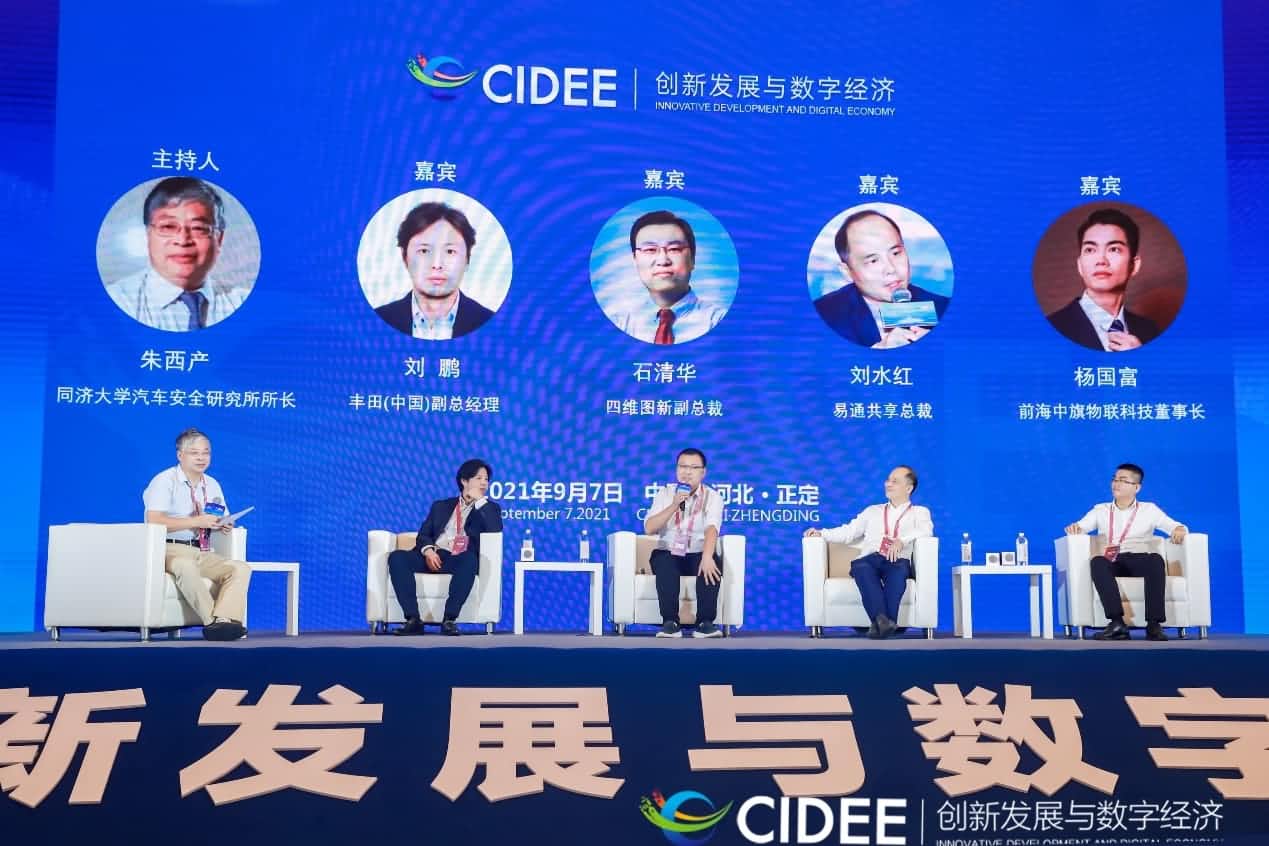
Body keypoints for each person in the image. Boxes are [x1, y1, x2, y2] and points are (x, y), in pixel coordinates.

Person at [142, 428, 250, 640]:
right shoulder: (165, 481)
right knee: (185, 566)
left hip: (200, 549)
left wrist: (224, 524)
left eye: (206, 452)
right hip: (167, 548)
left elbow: (219, 515)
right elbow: (153, 520)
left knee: (240, 568)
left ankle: (224, 620)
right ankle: (212, 623)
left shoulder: (212, 484)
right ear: (180, 455)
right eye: (194, 453)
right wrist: (195, 521)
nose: (201, 458)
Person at [804, 466, 933, 638]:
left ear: (909, 488)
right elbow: (849, 532)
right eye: (888, 480)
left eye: (895, 481)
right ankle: (886, 623)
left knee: (897, 575)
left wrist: (902, 541)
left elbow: (926, 530)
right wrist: (822, 533)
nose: (888, 484)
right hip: (870, 559)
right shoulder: (873, 511)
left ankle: (881, 623)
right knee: (861, 567)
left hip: (897, 559)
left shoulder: (919, 512)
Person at [107, 177, 249, 331]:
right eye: (168, 227)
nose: (183, 240)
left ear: (219, 239)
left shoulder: (242, 302)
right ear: (148, 236)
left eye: (198, 228)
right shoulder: (117, 302)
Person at [1065, 463, 1185, 641]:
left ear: (1137, 487)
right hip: (1113, 560)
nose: (1116, 484)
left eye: (1122, 480)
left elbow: (1174, 526)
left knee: (1156, 560)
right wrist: (1075, 528)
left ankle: (1153, 625)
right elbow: (1081, 526)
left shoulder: (1149, 510)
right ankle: (1117, 623)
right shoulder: (1101, 510)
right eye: (1114, 479)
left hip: (1139, 558)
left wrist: (1180, 529)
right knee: (1097, 562)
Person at [389, 459, 502, 635]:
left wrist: (480, 501)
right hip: (432, 555)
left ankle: (449, 620)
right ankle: (413, 620)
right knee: (397, 557)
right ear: (464, 481)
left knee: (470, 560)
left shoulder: (489, 508)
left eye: (486, 479)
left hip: (457, 559)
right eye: (479, 478)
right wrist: (428, 551)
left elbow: (495, 529)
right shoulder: (441, 506)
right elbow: (423, 534)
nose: (484, 483)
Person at [813, 210, 949, 348]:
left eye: (896, 253)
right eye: (873, 261)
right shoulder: (823, 315)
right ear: (847, 272)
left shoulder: (942, 308)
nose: (891, 269)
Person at [375, 202, 495, 339]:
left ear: (467, 259)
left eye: (450, 251)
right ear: (404, 257)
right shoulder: (378, 320)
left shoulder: (492, 323)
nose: (437, 265)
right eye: (424, 251)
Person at [1046, 208, 1160, 351]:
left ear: (1134, 265)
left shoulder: (1150, 331)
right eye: (1090, 250)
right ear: (1080, 265)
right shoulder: (1050, 329)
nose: (1101, 261)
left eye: (1114, 249)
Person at [609, 210, 727, 344]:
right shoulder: (620, 324)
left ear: (692, 259)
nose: (663, 260)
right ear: (635, 259)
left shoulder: (719, 321)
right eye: (650, 250)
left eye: (674, 249)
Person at [644, 448, 725, 638]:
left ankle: (705, 623)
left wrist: (707, 556)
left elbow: (712, 528)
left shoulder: (712, 497)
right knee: (664, 561)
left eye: (693, 468)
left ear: (703, 472)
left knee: (711, 561)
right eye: (682, 466)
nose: (687, 472)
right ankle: (670, 623)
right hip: (669, 552)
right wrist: (674, 505)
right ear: (676, 469)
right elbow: (649, 528)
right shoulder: (665, 493)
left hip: (697, 553)